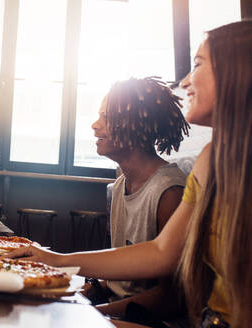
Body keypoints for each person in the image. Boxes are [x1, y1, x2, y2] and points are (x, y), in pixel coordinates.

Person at [3, 21, 251, 328]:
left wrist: (98, 310)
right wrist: (56, 260)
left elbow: (174, 294)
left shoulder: (168, 188)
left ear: (237, 73)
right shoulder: (209, 159)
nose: (185, 81)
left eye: (198, 64)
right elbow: (162, 252)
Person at [87, 77, 190, 320]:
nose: (94, 125)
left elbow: (172, 297)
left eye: (105, 117)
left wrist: (95, 315)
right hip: (119, 313)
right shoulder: (122, 183)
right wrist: (85, 292)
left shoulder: (169, 192)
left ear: (133, 125)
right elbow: (126, 282)